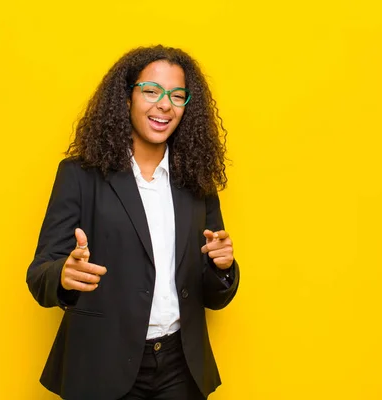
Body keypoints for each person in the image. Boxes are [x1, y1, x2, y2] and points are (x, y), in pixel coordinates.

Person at [26, 45, 240, 400]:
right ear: (126, 98)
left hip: (179, 365)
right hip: (101, 363)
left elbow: (214, 295)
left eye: (177, 95)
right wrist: (63, 275)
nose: (165, 105)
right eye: (151, 91)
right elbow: (39, 274)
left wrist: (223, 267)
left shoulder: (196, 180)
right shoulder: (79, 175)